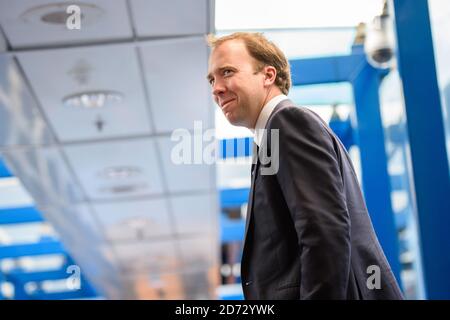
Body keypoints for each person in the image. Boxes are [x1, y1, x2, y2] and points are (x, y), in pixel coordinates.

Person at [207, 32, 404, 300]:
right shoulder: (272, 137)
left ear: (268, 76)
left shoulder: (287, 122)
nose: (216, 88)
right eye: (212, 79)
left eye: (227, 72)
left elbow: (324, 232)